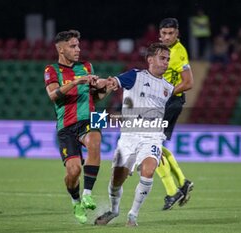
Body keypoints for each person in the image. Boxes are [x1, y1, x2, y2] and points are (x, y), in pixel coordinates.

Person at [94, 43, 174, 227]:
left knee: (148, 171)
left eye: (168, 59)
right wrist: (108, 83)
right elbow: (115, 82)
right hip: (129, 137)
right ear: (150, 59)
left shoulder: (168, 88)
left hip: (152, 137)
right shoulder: (135, 76)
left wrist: (159, 144)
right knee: (116, 180)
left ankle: (133, 216)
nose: (166, 63)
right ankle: (114, 210)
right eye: (163, 58)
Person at [44, 30, 109, 224]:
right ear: (60, 48)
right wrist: (76, 81)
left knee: (95, 141)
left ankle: (88, 193)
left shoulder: (86, 67)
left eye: (78, 45)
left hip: (89, 117)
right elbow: (53, 95)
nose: (78, 49)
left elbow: (94, 98)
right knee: (73, 172)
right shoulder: (51, 70)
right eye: (73, 46)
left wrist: (105, 89)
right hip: (65, 125)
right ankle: (76, 201)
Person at [157, 18, 194, 210]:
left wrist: (167, 93)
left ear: (177, 33)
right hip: (161, 102)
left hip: (170, 102)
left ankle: (173, 191)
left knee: (150, 145)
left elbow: (188, 83)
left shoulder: (179, 53)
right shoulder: (159, 49)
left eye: (171, 33)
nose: (167, 37)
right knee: (153, 144)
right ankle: (182, 182)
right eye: (164, 33)